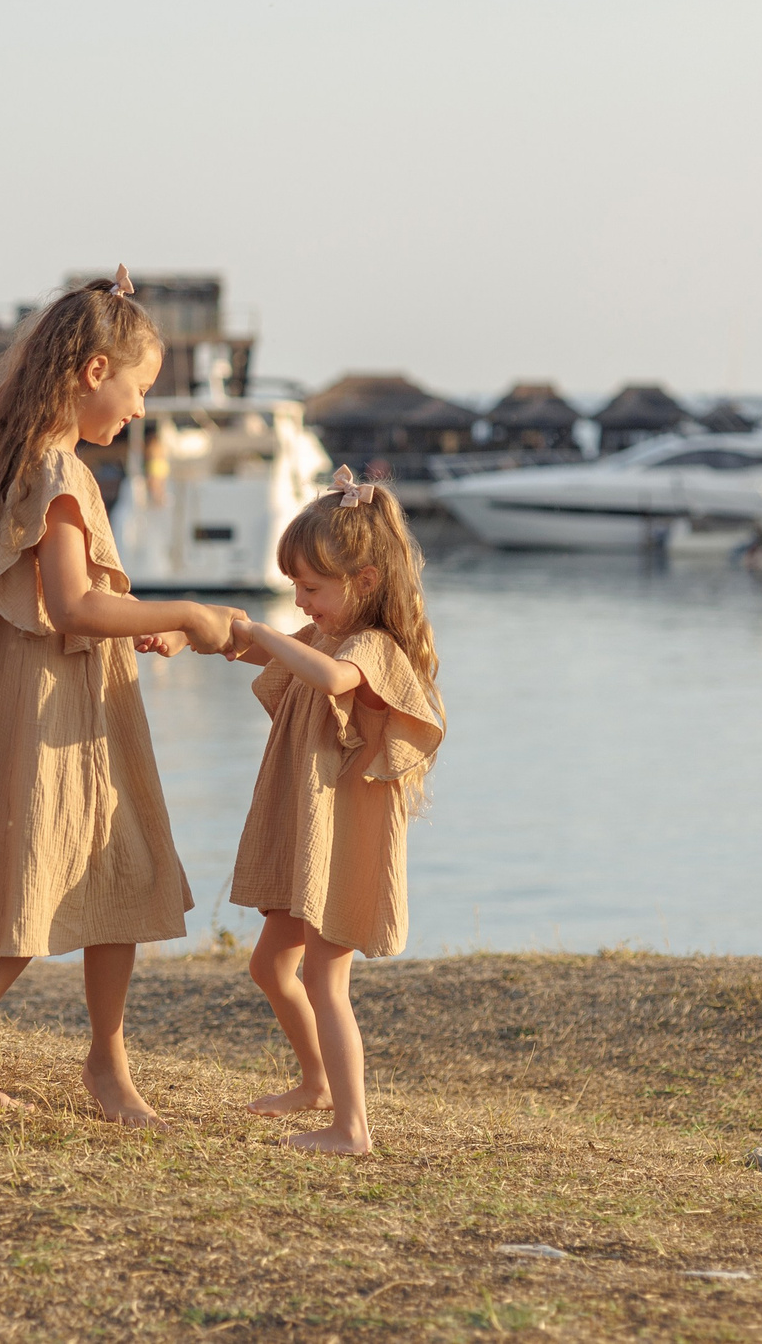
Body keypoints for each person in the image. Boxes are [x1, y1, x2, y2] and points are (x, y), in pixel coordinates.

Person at [0, 274, 223, 1126]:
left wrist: (127, 622)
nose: (141, 411)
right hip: (55, 709)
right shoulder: (58, 472)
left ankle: (103, 1063)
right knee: (44, 870)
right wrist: (184, 610)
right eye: (139, 389)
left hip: (31, 691)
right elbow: (73, 605)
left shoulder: (8, 458)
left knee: (117, 863)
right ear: (94, 369)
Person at [215, 465, 447, 1155]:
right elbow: (266, 648)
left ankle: (353, 1127)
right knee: (270, 966)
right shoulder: (324, 633)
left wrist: (264, 629)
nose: (300, 600)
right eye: (295, 587)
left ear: (365, 582)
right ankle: (316, 1081)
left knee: (323, 975)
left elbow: (332, 676)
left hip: (345, 839)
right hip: (309, 832)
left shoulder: (369, 647)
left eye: (310, 589)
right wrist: (194, 633)